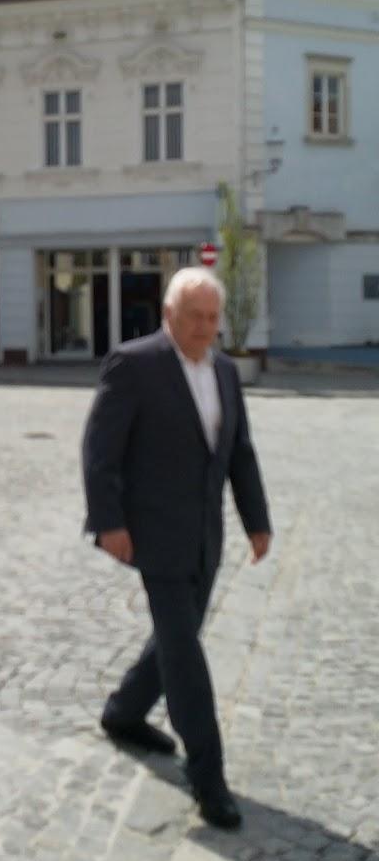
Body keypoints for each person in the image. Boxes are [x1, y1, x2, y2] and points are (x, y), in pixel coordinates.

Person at [82, 266, 272, 832]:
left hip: (204, 537)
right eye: (196, 317)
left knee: (176, 635)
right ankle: (208, 775)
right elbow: (100, 450)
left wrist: (256, 522)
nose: (207, 329)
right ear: (169, 315)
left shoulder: (225, 371)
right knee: (185, 654)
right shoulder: (135, 365)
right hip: (154, 535)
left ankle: (124, 712)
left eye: (213, 319)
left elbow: (239, 452)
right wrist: (108, 522)